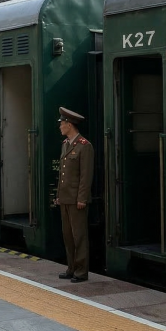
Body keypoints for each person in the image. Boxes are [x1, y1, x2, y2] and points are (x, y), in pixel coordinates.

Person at [55, 107, 94, 283]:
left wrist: (82, 199)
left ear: (69, 124)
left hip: (76, 200)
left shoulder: (85, 146)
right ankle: (71, 267)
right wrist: (58, 195)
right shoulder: (66, 145)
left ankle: (81, 271)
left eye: (61, 124)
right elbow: (62, 174)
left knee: (79, 236)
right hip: (65, 198)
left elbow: (86, 176)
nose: (60, 127)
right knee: (67, 236)